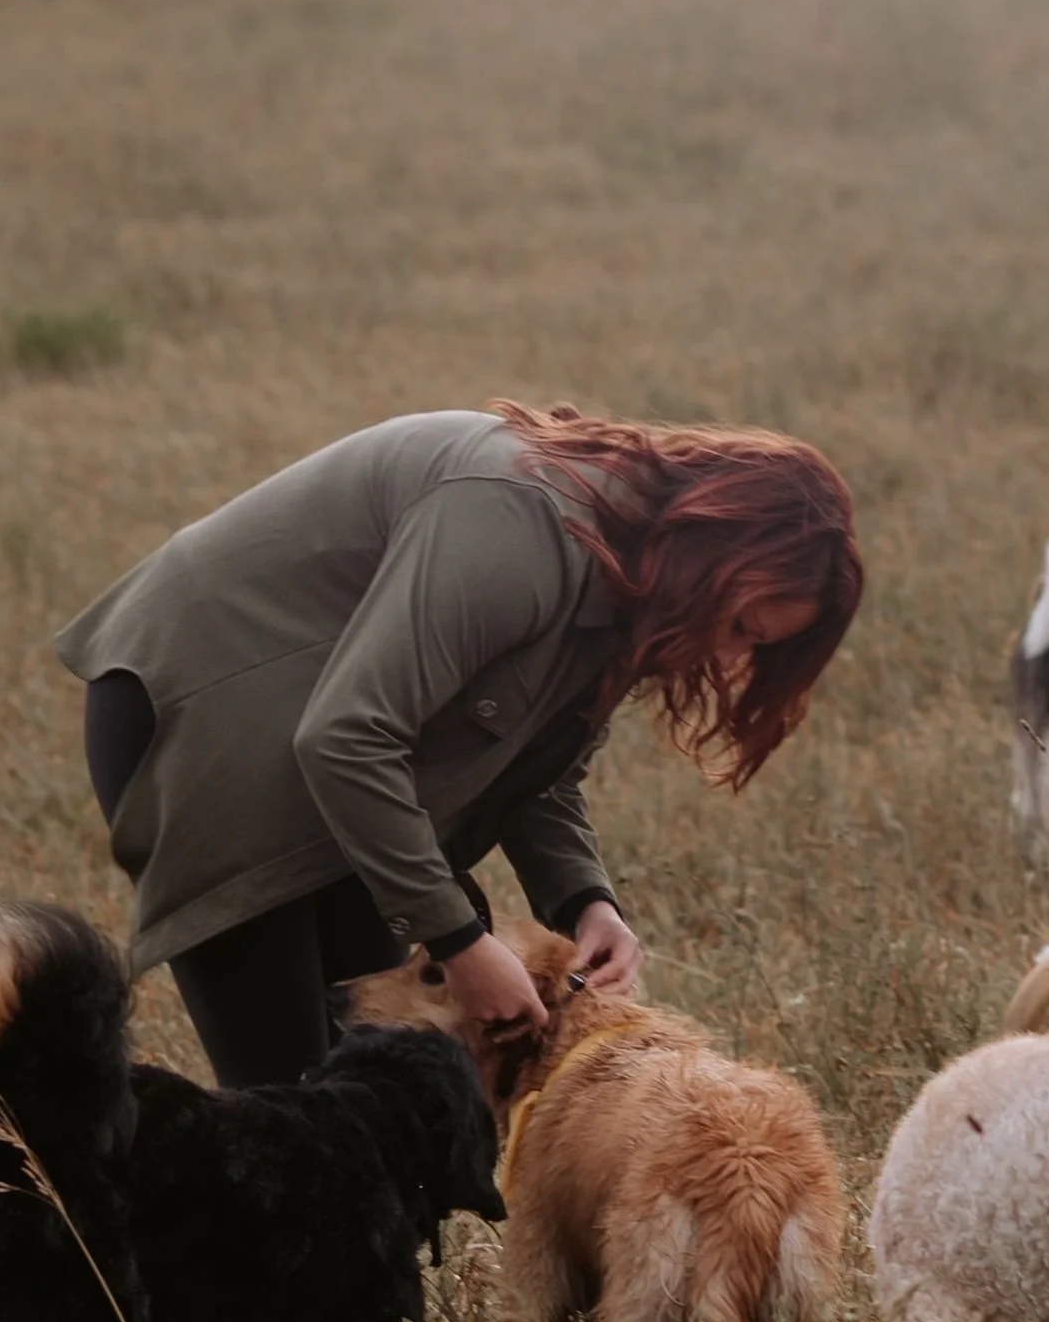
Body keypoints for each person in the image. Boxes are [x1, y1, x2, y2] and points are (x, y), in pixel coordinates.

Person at [55, 401, 863, 1089]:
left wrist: (587, 901)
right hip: (208, 708)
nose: (728, 661)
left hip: (333, 754)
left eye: (755, 650)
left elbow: (535, 767)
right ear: (714, 550)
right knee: (295, 1112)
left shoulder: (632, 571)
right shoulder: (522, 526)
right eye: (739, 627)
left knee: (375, 1090)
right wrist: (459, 941)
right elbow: (347, 734)